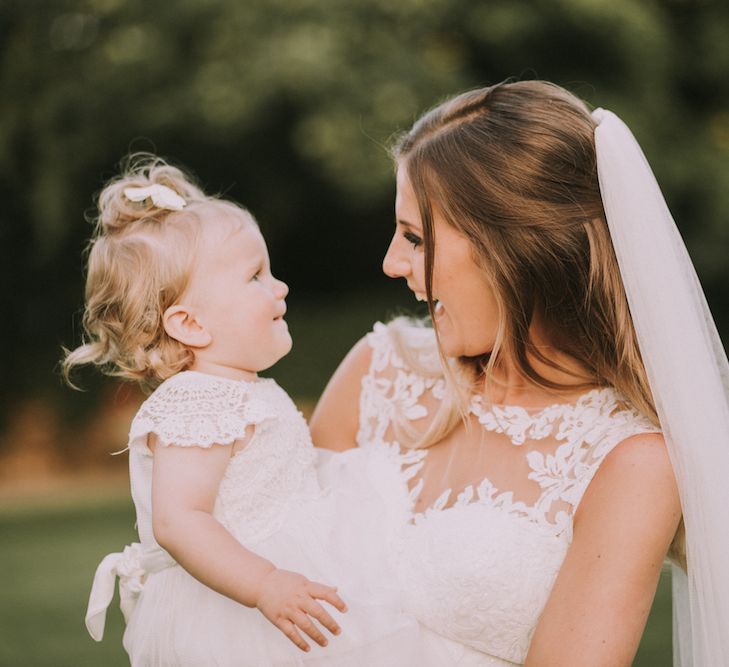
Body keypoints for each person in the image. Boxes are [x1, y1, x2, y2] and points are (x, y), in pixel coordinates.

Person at [311, 80, 729, 666]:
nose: (391, 262)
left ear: (512, 250)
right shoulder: (377, 372)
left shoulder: (631, 462)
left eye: (415, 238)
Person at [63, 156, 426, 667]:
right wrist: (264, 584)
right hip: (237, 609)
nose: (278, 287)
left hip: (291, 573)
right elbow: (179, 521)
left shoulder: (243, 390)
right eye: (255, 276)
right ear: (190, 324)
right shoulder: (195, 400)